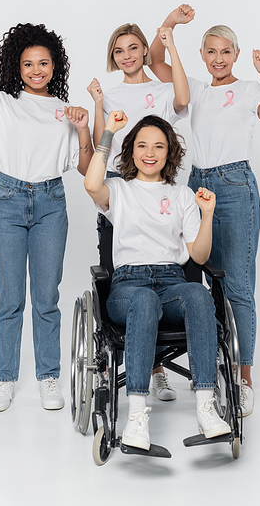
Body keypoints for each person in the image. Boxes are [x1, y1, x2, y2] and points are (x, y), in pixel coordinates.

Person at [0, 0, 93, 412]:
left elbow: (85, 168)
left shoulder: (65, 111)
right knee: (10, 297)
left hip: (51, 202)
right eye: (29, 64)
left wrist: (83, 129)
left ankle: (49, 377)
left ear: (56, 66)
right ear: (17, 66)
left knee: (46, 295)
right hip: (7, 202)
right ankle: (5, 379)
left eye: (44, 63)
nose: (36, 70)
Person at [149, 5, 260, 417]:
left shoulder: (248, 89)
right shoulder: (193, 88)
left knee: (238, 286)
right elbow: (156, 62)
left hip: (234, 186)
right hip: (196, 185)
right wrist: (170, 24)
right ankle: (209, 360)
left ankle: (244, 378)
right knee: (194, 277)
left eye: (226, 51)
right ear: (202, 55)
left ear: (236, 54)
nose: (218, 59)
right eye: (211, 51)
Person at [84, 111, 231, 450]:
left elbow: (200, 257)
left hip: (170, 280)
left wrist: (206, 214)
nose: (150, 153)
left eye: (159, 146)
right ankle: (137, 416)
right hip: (128, 285)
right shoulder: (119, 189)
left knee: (197, 293)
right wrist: (108, 131)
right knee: (144, 300)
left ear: (169, 153)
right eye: (142, 145)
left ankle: (206, 407)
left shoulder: (182, 195)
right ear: (131, 150)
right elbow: (92, 184)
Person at [87, 22, 190, 401]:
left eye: (133, 48)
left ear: (145, 51)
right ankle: (143, 367)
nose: (126, 55)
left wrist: (172, 44)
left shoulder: (161, 90)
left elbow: (182, 100)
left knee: (160, 263)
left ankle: (157, 368)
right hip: (118, 180)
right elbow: (104, 140)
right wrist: (99, 104)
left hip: (155, 176)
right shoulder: (112, 94)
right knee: (126, 269)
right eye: (119, 51)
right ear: (113, 57)